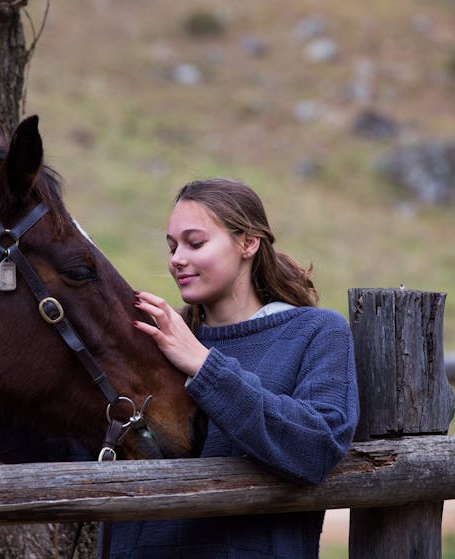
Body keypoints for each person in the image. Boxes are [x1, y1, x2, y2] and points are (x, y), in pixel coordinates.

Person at [109, 178, 359, 558]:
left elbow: (316, 447)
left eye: (195, 243)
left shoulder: (315, 332)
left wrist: (204, 366)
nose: (176, 259)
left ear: (248, 243)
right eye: (173, 246)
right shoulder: (159, 343)